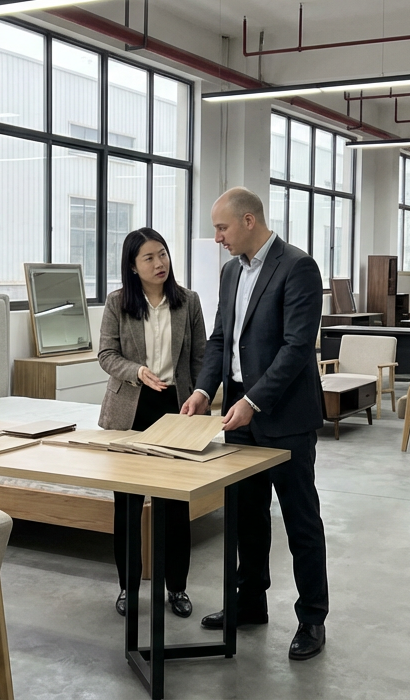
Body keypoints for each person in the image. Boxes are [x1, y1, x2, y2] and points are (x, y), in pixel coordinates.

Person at [179, 187, 329, 661]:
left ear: (248, 221)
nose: (217, 237)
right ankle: (249, 602)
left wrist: (255, 401)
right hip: (237, 414)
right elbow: (221, 338)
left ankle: (312, 619)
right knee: (245, 516)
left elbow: (296, 347)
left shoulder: (298, 267)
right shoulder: (229, 273)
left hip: (284, 416)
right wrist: (204, 391)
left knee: (300, 519)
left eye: (221, 228)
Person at [96, 228, 207, 619]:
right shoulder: (117, 303)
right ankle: (128, 588)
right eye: (149, 258)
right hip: (129, 410)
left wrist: (201, 399)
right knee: (126, 506)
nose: (160, 263)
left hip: (176, 409)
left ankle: (176, 587)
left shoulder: (188, 301)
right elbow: (106, 354)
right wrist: (137, 370)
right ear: (132, 266)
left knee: (175, 506)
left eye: (163, 254)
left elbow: (200, 358)